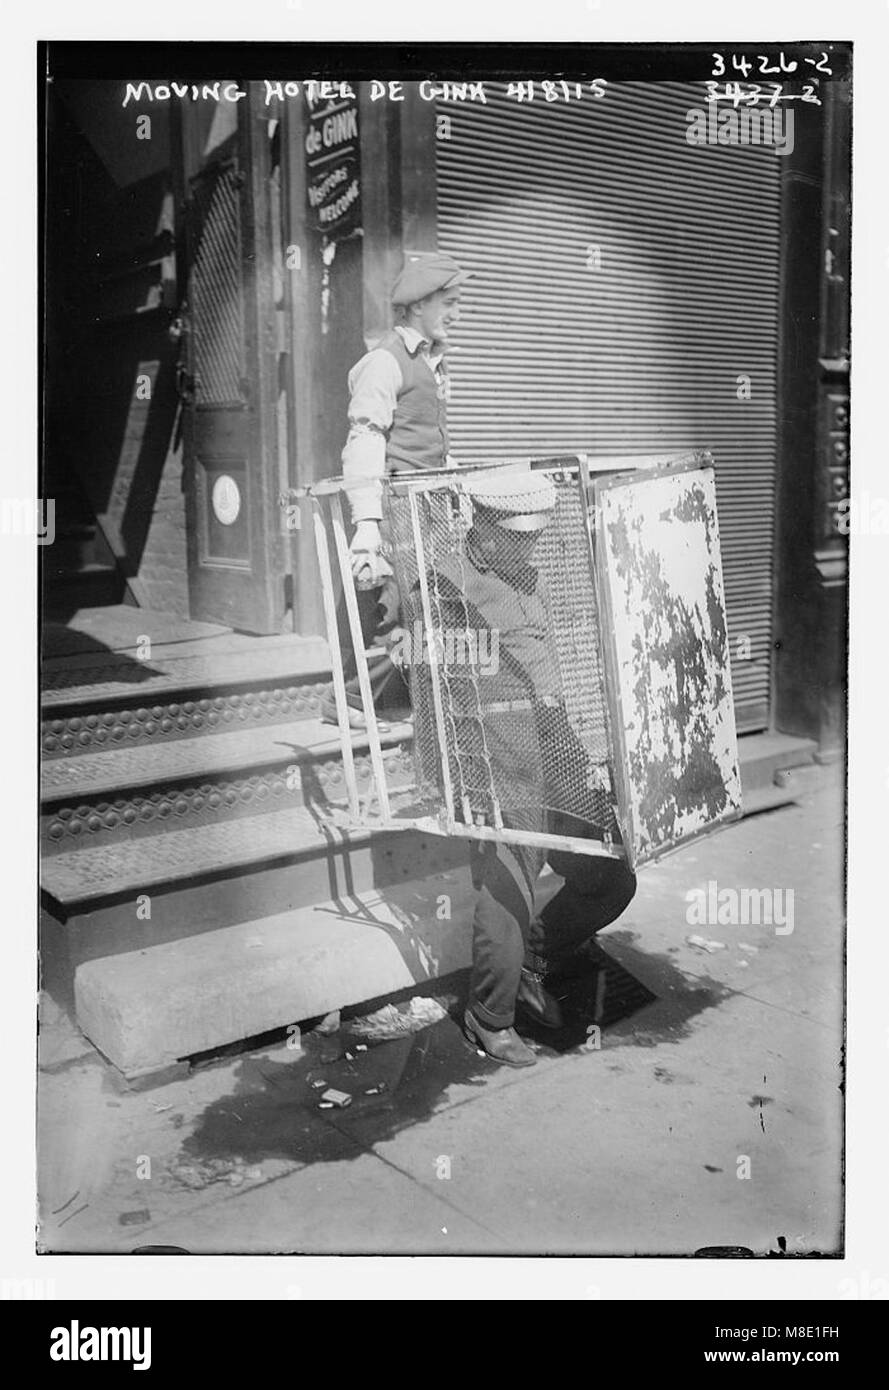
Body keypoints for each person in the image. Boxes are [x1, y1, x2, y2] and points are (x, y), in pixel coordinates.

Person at [404, 472, 637, 1068]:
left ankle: (537, 954)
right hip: (495, 750)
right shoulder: (445, 586)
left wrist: (576, 743)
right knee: (510, 880)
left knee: (610, 877)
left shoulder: (526, 573)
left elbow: (549, 660)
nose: (529, 547)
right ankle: (490, 1016)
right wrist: (448, 775)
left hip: (551, 740)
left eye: (534, 537)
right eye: (517, 536)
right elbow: (432, 694)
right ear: (479, 522)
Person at [319, 251, 471, 730]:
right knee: (387, 602)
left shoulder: (427, 360)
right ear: (418, 305)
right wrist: (367, 522)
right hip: (390, 507)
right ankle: (347, 699)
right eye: (448, 302)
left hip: (420, 503)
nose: (456, 313)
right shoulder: (384, 362)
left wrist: (453, 480)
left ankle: (380, 699)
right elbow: (365, 438)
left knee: (412, 602)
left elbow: (424, 436)